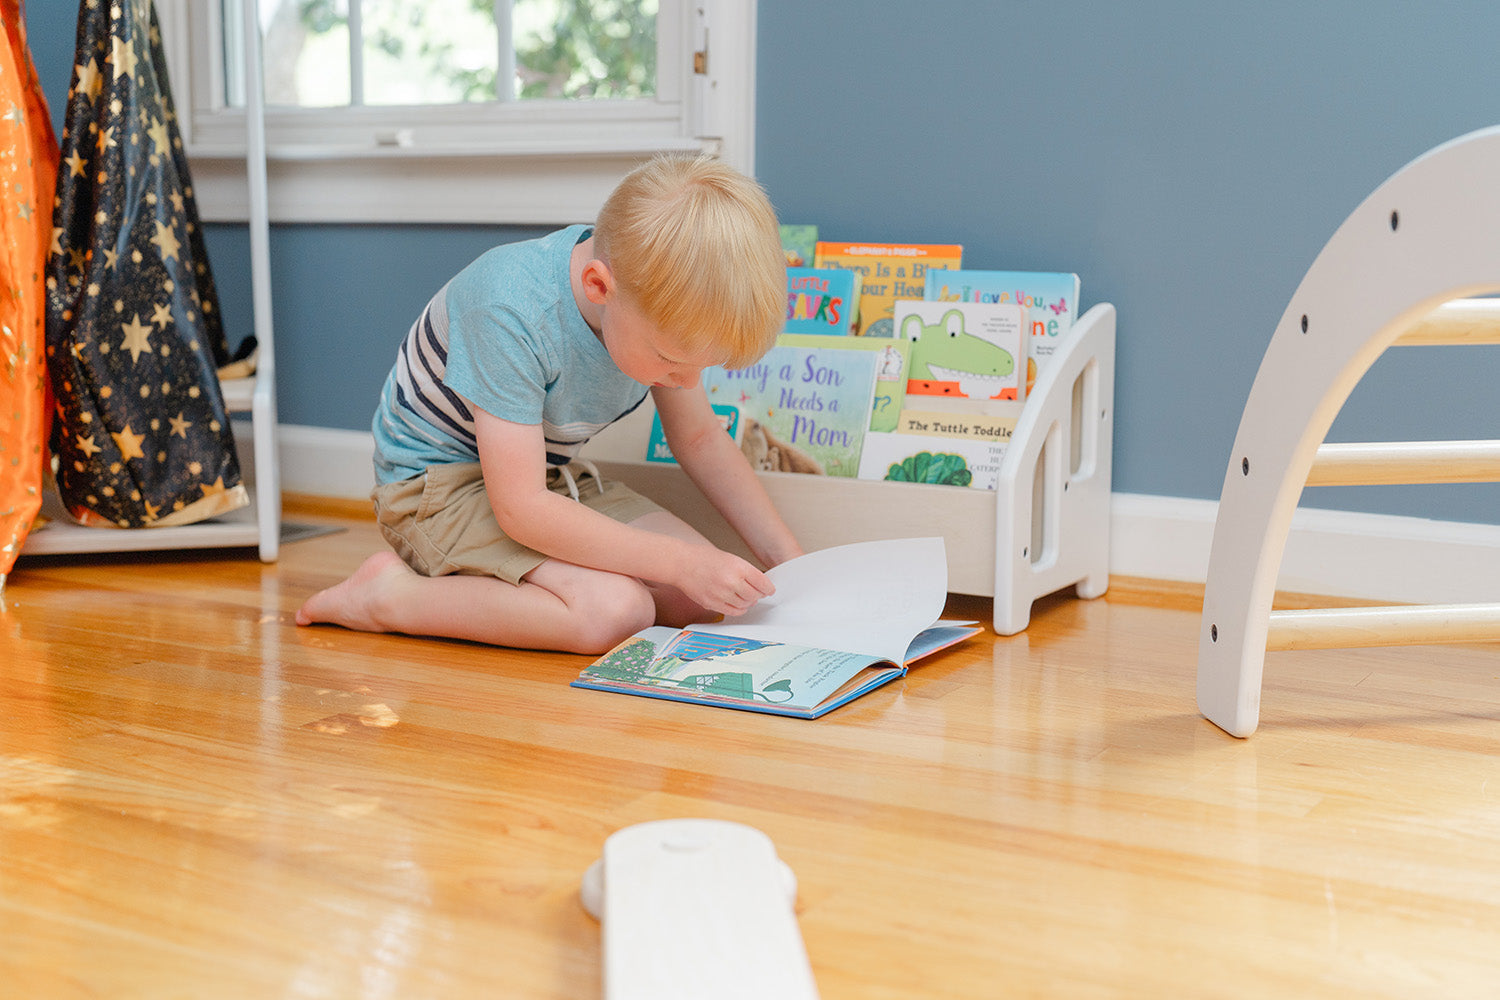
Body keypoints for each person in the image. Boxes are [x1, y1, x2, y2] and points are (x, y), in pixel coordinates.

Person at [296, 154, 804, 654]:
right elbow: (521, 509)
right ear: (599, 286)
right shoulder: (508, 307)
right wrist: (676, 561)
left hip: (542, 480)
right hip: (436, 494)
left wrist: (792, 564)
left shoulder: (649, 297)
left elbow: (699, 440)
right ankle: (389, 597)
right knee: (614, 612)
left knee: (692, 598)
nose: (686, 381)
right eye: (672, 360)